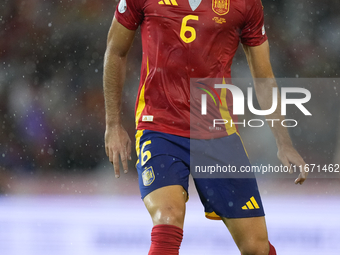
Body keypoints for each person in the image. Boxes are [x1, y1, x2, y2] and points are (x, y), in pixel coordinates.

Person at [103, 0, 307, 254]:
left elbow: (263, 76)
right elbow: (116, 51)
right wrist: (113, 124)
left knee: (256, 248)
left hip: (216, 133)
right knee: (167, 219)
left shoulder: (245, 4)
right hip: (159, 128)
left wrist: (284, 142)